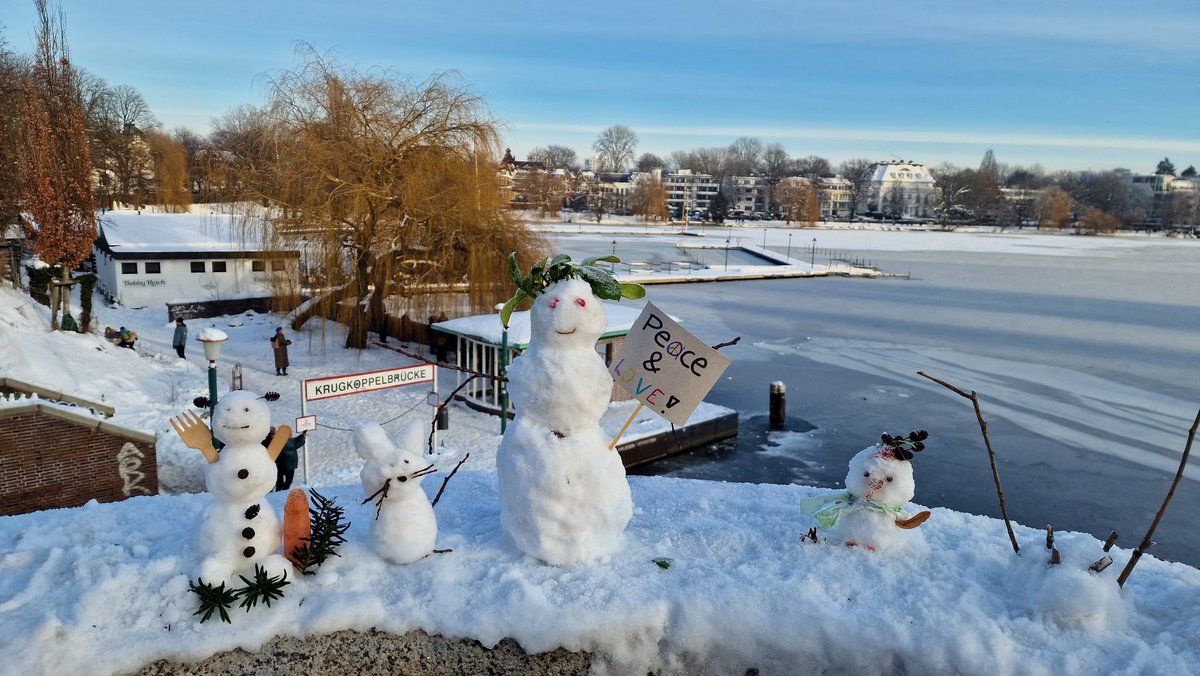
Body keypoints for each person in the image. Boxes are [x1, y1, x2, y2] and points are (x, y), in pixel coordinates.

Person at [264, 426, 306, 491]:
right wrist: (303, 436)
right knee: (288, 482)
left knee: (279, 483)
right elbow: (296, 442)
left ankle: (278, 493)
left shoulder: (264, 443)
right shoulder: (284, 441)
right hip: (289, 466)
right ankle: (284, 492)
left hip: (276, 466)